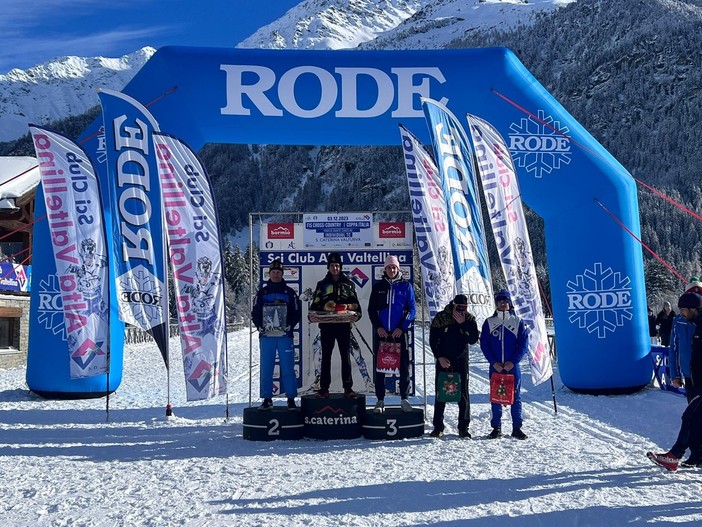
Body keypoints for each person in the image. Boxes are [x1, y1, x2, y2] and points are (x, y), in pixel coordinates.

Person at [367, 255, 417, 413]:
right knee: (380, 368)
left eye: (394, 267)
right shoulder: (378, 286)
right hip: (382, 333)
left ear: (398, 269)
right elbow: (371, 310)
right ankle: (380, 401)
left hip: (399, 333)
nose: (391, 270)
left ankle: (404, 399)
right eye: (388, 267)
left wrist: (402, 328)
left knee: (403, 367)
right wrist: (378, 327)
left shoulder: (405, 286)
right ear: (385, 269)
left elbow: (412, 310)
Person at [309, 252, 362, 398]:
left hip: (343, 327)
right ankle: (324, 388)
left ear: (341, 267)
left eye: (337, 265)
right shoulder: (322, 285)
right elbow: (314, 306)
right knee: (326, 357)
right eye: (332, 265)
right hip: (326, 327)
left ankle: (348, 388)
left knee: (346, 357)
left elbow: (357, 308)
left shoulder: (349, 285)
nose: (335, 268)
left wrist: (347, 309)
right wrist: (314, 314)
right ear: (328, 267)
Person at [251, 259, 301, 411]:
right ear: (269, 274)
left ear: (282, 274)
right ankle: (267, 399)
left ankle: (291, 399)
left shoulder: (290, 292)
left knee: (288, 368)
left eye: (278, 272)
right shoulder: (262, 292)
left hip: (285, 336)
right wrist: (259, 326)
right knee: (266, 367)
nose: (275, 275)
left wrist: (290, 325)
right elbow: (255, 312)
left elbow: (296, 313)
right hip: (267, 337)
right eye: (273, 272)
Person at [481, 289, 530, 440]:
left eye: (505, 301)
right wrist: (493, 362)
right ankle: (496, 427)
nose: (503, 303)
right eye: (500, 301)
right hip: (496, 366)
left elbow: (523, 345)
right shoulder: (489, 322)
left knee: (515, 396)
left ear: (509, 303)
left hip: (512, 366)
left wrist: (513, 362)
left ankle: (517, 428)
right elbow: (484, 344)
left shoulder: (518, 322)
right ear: (496, 303)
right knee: (496, 396)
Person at [429, 294, 480, 438]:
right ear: (453, 305)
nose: (462, 310)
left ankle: (463, 427)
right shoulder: (441, 317)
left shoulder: (469, 318)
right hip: (444, 360)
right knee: (441, 392)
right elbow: (433, 340)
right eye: (459, 307)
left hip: (461, 360)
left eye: (464, 308)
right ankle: (438, 426)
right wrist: (439, 357)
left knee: (463, 393)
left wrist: (463, 323)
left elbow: (473, 339)